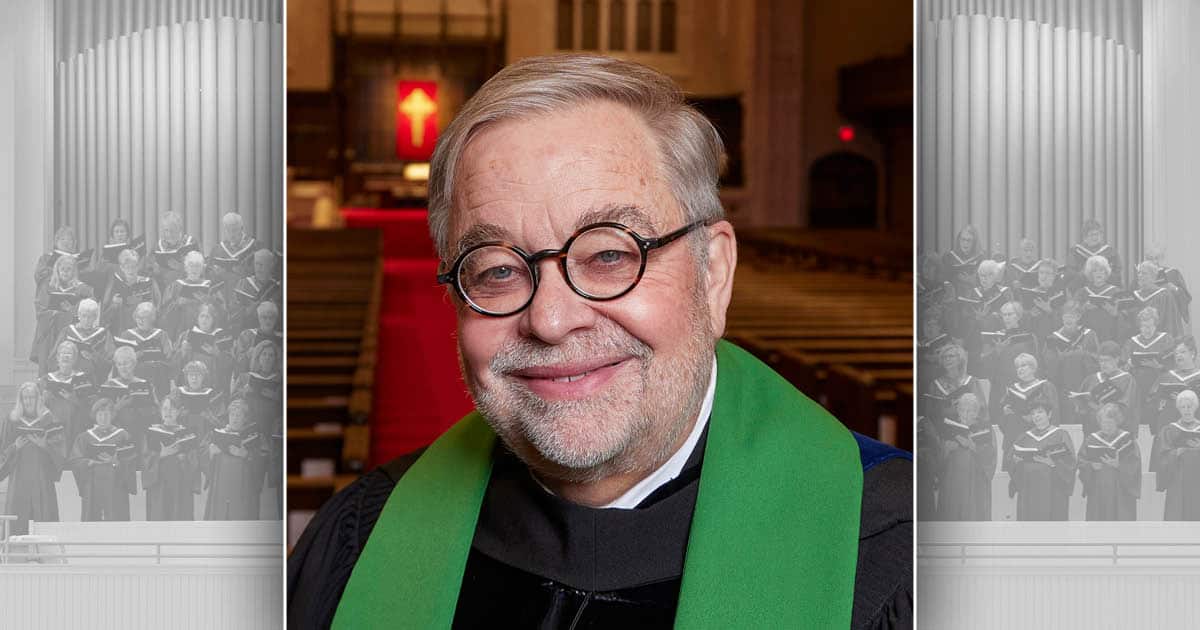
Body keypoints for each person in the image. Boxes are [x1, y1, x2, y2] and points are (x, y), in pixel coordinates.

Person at [288, 55, 911, 630]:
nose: (552, 320)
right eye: (498, 269)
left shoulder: (903, 556)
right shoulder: (362, 538)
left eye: (611, 253)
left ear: (714, 273)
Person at [0, 382, 66, 535]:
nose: (28, 401)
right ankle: (17, 554)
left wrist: (44, 445)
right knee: (18, 514)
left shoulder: (49, 419)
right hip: (19, 475)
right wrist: (15, 447)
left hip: (41, 475)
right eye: (25, 398)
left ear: (38, 399)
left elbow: (60, 451)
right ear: (20, 400)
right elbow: (3, 450)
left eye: (31, 397)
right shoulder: (12, 420)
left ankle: (46, 553)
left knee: (43, 513)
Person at [69, 398, 138, 521]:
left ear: (112, 415)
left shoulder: (123, 436)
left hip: (115, 487)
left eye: (106, 414)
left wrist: (116, 462)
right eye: (100, 414)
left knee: (116, 520)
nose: (103, 417)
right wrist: (90, 462)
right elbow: (75, 460)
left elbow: (131, 461)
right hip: (92, 487)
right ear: (95, 416)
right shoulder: (84, 437)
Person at [1008, 400, 1075, 521]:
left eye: (1040, 412)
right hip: (1028, 489)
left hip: (1052, 490)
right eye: (1033, 413)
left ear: (1049, 415)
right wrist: (1015, 461)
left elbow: (1070, 464)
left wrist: (1052, 463)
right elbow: (1011, 461)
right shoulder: (1024, 437)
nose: (1036, 416)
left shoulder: (1061, 435)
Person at [933, 393, 996, 521]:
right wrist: (946, 447)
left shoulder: (985, 427)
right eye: (962, 410)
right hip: (952, 478)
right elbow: (938, 453)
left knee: (972, 514)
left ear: (977, 412)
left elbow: (991, 455)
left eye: (970, 411)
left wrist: (973, 446)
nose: (965, 414)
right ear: (957, 410)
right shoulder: (949, 426)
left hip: (975, 479)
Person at [203, 399, 265, 520]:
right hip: (220, 489)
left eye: (238, 415)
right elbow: (203, 455)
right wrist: (210, 452)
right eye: (232, 414)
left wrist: (246, 455)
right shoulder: (217, 434)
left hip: (243, 491)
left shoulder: (255, 437)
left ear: (245, 418)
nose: (234, 418)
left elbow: (263, 460)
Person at [1077, 403, 1141, 521]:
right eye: (1104, 423)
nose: (1106, 426)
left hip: (1121, 492)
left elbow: (1135, 466)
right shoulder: (1091, 439)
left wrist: (1119, 465)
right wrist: (1091, 466)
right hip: (1098, 490)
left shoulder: (1127, 439)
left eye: (1110, 423)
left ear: (1117, 421)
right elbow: (1081, 461)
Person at [143, 394, 202, 520]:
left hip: (180, 484)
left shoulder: (188, 434)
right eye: (164, 408)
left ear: (179, 412)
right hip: (159, 485)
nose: (168, 412)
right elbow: (145, 461)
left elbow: (194, 462)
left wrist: (184, 459)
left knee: (180, 518)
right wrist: (161, 455)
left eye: (172, 409)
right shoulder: (151, 433)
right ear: (160, 411)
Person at [1042, 300, 1100, 426]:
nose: (1068, 319)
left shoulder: (1089, 335)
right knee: (1067, 422)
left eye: (1072, 316)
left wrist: (1082, 354)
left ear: (1078, 317)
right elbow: (1047, 365)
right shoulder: (1053, 338)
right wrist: (1061, 358)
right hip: (1063, 387)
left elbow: (1096, 360)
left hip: (1083, 385)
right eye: (1065, 316)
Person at [31, 254, 94, 368]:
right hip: (50, 332)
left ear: (74, 271)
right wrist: (55, 312)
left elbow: (89, 310)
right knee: (48, 365)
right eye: (62, 269)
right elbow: (40, 308)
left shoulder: (83, 289)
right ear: (57, 270)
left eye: (69, 269)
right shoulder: (48, 286)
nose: (65, 272)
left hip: (72, 332)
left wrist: (72, 310)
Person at [951, 259, 1010, 372]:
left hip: (994, 339)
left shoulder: (1004, 292)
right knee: (974, 370)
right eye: (982, 275)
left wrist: (991, 317)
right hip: (974, 338)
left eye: (988, 275)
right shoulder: (973, 292)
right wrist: (976, 318)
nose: (984, 279)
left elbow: (1009, 315)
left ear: (995, 276)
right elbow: (965, 316)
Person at [1151, 390, 1200, 520]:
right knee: (1178, 510)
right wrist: (1176, 452)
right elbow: (1161, 456)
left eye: (1189, 406)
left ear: (1195, 407)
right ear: (1178, 409)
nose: (1186, 410)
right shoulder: (1169, 429)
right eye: (1183, 407)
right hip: (1178, 478)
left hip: (1198, 478)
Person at [999, 353, 1059, 458]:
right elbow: (1003, 416)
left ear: (1033, 368)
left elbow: (1054, 413)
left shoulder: (1045, 386)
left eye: (1023, 366)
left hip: (1036, 434)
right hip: (1014, 434)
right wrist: (1005, 411)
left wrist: (1033, 417)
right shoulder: (1012, 389)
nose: (1019, 369)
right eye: (1017, 367)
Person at [1070, 341, 1136, 436]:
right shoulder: (1091, 379)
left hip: (1115, 432)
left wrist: (1103, 408)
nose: (1103, 364)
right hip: (1092, 431)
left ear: (1117, 359)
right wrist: (1079, 402)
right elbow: (1082, 410)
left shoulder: (1127, 380)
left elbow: (1127, 408)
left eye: (1107, 360)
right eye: (1101, 361)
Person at [1125, 306, 1174, 432]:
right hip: (1137, 385)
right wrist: (1129, 365)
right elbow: (1123, 368)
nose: (1146, 330)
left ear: (1156, 325)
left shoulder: (1165, 339)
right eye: (1143, 326)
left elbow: (1172, 365)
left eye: (1150, 326)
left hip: (1158, 383)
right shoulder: (1132, 342)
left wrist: (1158, 367)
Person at [981, 301, 1038, 404]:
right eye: (1004, 315)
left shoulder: (1027, 337)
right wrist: (997, 351)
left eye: (1010, 314)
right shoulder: (996, 336)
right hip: (999, 384)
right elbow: (984, 365)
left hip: (1020, 382)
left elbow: (1033, 363)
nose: (1006, 317)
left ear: (1019, 316)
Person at [102, 345, 159, 449]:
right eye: (119, 364)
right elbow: (100, 416)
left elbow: (155, 411)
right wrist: (117, 407)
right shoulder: (109, 385)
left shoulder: (145, 384)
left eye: (126, 363)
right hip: (116, 431)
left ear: (134, 363)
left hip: (140, 431)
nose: (122, 367)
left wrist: (143, 408)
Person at [174, 303, 235, 396]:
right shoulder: (186, 335)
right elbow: (174, 362)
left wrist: (217, 353)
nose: (204, 319)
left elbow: (231, 364)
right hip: (191, 380)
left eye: (208, 317)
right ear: (197, 318)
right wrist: (182, 353)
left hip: (214, 382)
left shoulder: (222, 337)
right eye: (202, 316)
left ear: (213, 320)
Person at [39, 340, 96, 442]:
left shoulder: (83, 379)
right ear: (57, 357)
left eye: (69, 353)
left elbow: (91, 408)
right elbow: (36, 407)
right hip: (51, 426)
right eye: (63, 353)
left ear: (75, 359)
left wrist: (73, 399)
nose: (66, 356)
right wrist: (43, 400)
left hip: (74, 426)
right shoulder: (45, 380)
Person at [113, 302, 173, 396]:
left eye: (144, 318)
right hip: (133, 375)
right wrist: (132, 358)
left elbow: (168, 358)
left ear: (152, 318)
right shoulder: (127, 335)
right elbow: (118, 361)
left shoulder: (161, 335)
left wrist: (155, 361)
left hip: (156, 376)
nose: (140, 321)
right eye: (138, 317)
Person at [161, 250, 225, 338]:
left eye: (198, 266)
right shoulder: (175, 286)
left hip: (206, 331)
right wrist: (177, 304)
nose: (194, 269)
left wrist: (209, 301)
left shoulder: (211, 286)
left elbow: (223, 310)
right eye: (191, 265)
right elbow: (164, 313)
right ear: (186, 268)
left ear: (202, 268)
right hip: (182, 330)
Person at [51, 298, 113, 384]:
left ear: (95, 317)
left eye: (90, 317)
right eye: (84, 316)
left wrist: (94, 356)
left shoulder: (104, 334)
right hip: (68, 379)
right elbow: (54, 356)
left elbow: (110, 361)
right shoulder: (67, 331)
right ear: (78, 315)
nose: (87, 320)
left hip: (93, 380)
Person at [100, 248, 159, 333]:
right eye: (127, 267)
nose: (130, 270)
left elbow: (158, 308)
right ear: (121, 268)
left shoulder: (149, 283)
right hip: (122, 330)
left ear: (138, 266)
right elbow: (105, 318)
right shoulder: (114, 285)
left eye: (134, 266)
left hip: (146, 330)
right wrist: (114, 305)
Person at [1149, 337, 1200, 435]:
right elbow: (1152, 401)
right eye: (1176, 353)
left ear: (1192, 353)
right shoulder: (1166, 377)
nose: (1178, 356)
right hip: (1170, 427)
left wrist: (1185, 400)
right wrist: (1160, 404)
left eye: (1182, 352)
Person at [209, 212, 259, 306]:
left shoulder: (255, 247)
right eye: (228, 231)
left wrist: (244, 272)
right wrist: (216, 273)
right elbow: (209, 275)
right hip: (223, 299)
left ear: (242, 228)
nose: (231, 234)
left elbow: (263, 274)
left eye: (234, 230)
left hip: (246, 298)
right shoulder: (217, 249)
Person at [232, 340, 281, 434]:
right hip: (248, 426)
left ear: (276, 359)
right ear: (258, 357)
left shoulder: (280, 380)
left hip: (272, 427)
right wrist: (243, 392)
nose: (267, 358)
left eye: (271, 355)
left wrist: (276, 397)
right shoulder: (246, 377)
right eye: (264, 354)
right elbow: (233, 401)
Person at [1127, 261, 1184, 339]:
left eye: (1144, 273)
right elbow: (1129, 322)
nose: (1140, 276)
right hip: (1138, 341)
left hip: (1159, 340)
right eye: (1139, 273)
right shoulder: (1134, 296)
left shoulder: (1164, 295)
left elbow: (1171, 323)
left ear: (1153, 276)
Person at [230, 249, 281, 334]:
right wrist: (247, 311)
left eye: (262, 264)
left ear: (271, 265)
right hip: (248, 332)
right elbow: (233, 311)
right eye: (256, 264)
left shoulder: (278, 288)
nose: (258, 268)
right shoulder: (243, 284)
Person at [148, 211, 200, 291]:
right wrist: (155, 271)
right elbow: (148, 271)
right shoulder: (157, 247)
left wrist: (181, 267)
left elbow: (201, 270)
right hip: (164, 290)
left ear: (180, 229)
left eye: (172, 230)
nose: (169, 234)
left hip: (186, 290)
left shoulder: (191, 243)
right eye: (166, 230)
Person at [1077, 255, 1123, 343]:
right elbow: (1073, 315)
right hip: (1088, 336)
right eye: (1095, 271)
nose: (1099, 273)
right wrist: (1083, 309)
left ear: (1106, 273)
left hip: (1109, 334)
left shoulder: (1116, 292)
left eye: (1101, 270)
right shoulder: (1082, 293)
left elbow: (1126, 320)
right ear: (1090, 274)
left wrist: (1115, 313)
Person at [1067, 219, 1123, 290]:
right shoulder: (1076, 251)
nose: (1095, 237)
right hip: (1083, 288)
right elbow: (1071, 273)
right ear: (1084, 237)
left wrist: (1104, 274)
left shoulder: (1110, 252)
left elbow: (1117, 273)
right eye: (1091, 235)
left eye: (1097, 234)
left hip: (1106, 289)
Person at [1145, 245, 1192, 325]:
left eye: (1156, 258)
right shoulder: (1142, 276)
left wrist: (1175, 288)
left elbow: (1186, 297)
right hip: (1149, 321)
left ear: (1162, 258)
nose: (1154, 262)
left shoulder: (1173, 273)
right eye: (1150, 259)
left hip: (1170, 317)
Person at [177, 360, 223, 438]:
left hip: (206, 435)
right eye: (191, 375)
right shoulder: (177, 393)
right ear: (186, 377)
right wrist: (179, 414)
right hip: (183, 434)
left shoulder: (212, 395)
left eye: (198, 375)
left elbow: (220, 425)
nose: (194, 378)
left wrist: (209, 416)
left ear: (204, 377)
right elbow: (168, 417)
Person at [234, 301, 282, 375]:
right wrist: (247, 354)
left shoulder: (281, 338)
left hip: (275, 381)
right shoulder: (247, 335)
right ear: (259, 318)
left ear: (275, 319)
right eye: (264, 317)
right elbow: (237, 362)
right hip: (250, 379)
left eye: (271, 318)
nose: (268, 321)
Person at [34, 225, 85, 291]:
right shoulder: (46, 258)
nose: (66, 242)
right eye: (62, 239)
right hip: (51, 292)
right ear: (56, 241)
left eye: (69, 239)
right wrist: (56, 269)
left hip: (74, 293)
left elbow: (85, 279)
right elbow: (39, 277)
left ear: (74, 243)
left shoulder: (78, 259)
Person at [941, 225, 985, 295]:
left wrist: (972, 280)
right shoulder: (948, 257)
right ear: (959, 240)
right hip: (954, 298)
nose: (965, 243)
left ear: (974, 242)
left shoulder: (981, 258)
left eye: (969, 240)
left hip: (974, 296)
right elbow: (943, 279)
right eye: (963, 239)